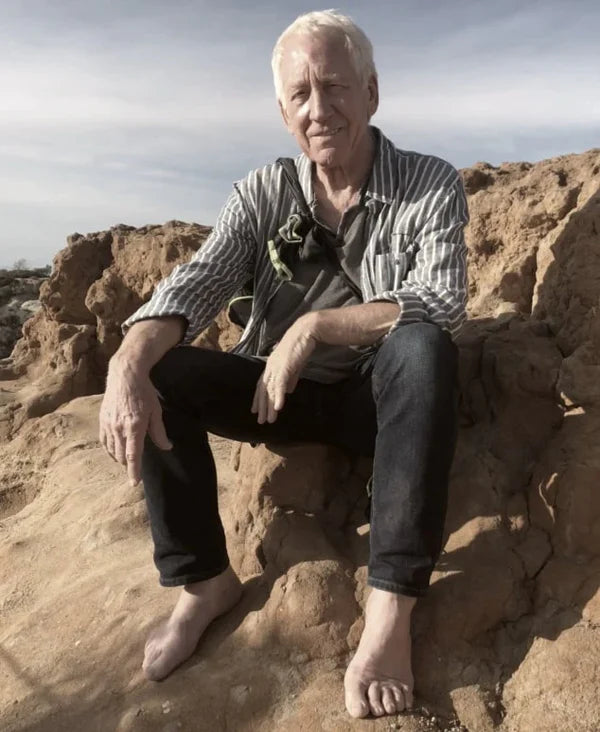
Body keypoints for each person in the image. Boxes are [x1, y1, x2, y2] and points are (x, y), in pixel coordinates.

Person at [99, 9, 468, 720]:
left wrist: (318, 325)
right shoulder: (266, 191)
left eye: (334, 87)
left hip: (378, 398)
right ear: (282, 111)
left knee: (424, 346)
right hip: (278, 394)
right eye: (300, 95)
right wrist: (126, 360)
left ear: (372, 92)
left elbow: (444, 303)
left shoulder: (429, 184)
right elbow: (200, 280)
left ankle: (389, 612)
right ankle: (204, 581)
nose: (319, 109)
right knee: (162, 372)